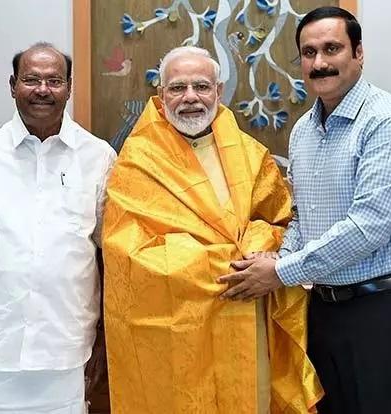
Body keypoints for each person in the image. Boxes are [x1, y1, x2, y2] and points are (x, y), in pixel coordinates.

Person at [219, 6, 391, 414]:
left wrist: (281, 272)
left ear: (358, 53)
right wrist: (278, 256)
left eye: (332, 49)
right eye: (308, 52)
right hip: (325, 309)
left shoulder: (389, 122)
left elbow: (367, 228)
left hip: (389, 312)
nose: (319, 63)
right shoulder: (304, 130)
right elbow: (304, 217)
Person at [101, 46, 322, 414]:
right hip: (175, 330)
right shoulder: (136, 162)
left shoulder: (252, 155)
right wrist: (229, 262)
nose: (190, 98)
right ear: (160, 95)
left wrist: (261, 247)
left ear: (218, 92)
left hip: (247, 321)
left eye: (201, 86)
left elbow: (283, 222)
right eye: (178, 88)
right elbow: (125, 250)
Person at [0, 42, 115, 413]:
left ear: (69, 87)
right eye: (32, 80)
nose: (43, 90)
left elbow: (105, 254)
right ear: (13, 85)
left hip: (67, 349)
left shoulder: (98, 157)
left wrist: (103, 339)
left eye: (54, 80)